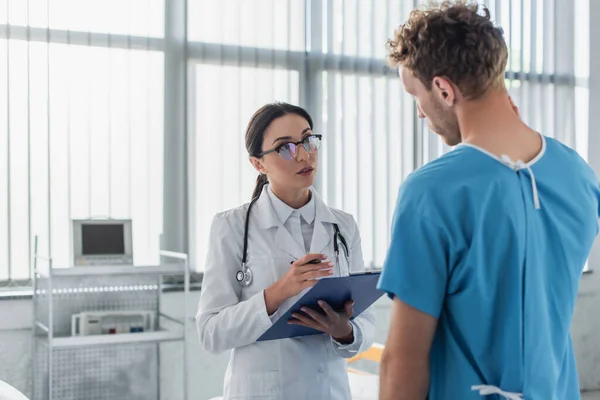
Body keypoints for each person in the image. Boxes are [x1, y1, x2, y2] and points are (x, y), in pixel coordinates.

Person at [377, 2, 600, 400]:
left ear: (444, 89)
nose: (419, 113)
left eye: (417, 95)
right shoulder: (578, 175)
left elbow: (404, 362)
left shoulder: (432, 191)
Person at [196, 102, 375, 400]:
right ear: (258, 164)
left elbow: (366, 323)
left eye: (308, 140)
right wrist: (278, 292)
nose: (304, 154)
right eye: (285, 148)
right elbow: (211, 333)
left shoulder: (343, 226)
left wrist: (345, 331)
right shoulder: (231, 227)